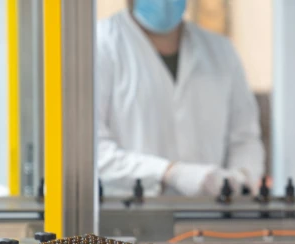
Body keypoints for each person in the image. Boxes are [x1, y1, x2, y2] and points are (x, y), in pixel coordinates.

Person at [96, 0, 265, 197]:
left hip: (209, 216)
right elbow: (92, 153)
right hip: (127, 214)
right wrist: (169, 173)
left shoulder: (221, 51)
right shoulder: (99, 45)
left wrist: (241, 176)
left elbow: (244, 138)